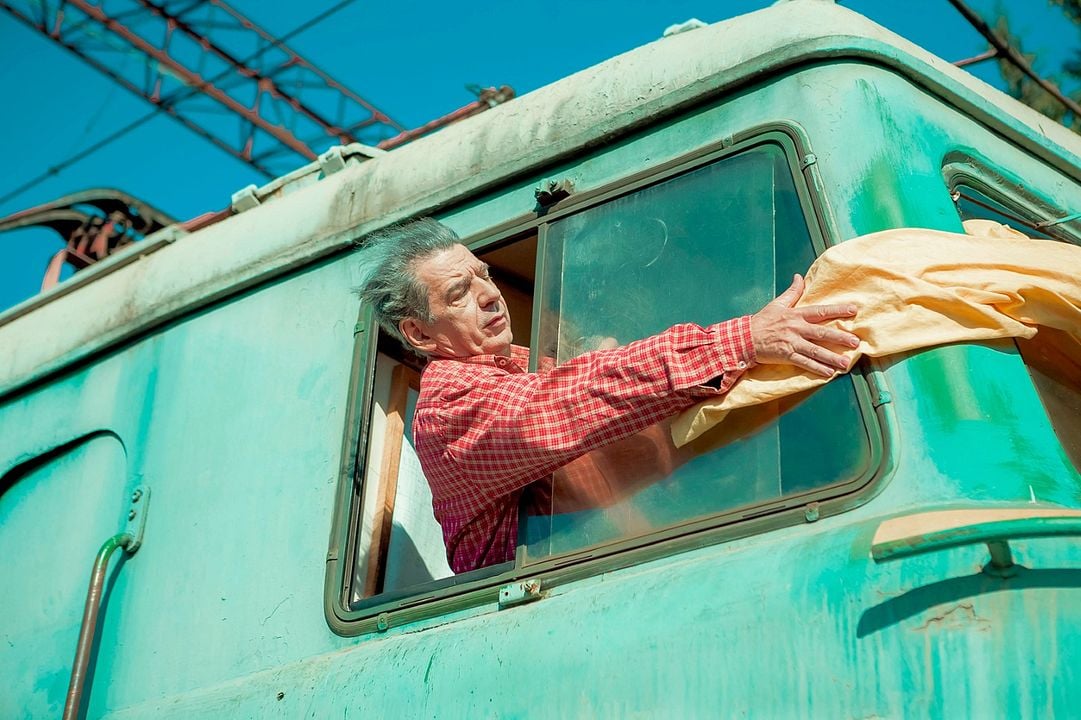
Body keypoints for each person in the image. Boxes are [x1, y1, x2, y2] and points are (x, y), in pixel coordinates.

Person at [358, 218, 859, 573]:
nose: (490, 295)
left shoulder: (524, 367)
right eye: (457, 293)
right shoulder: (450, 407)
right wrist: (743, 339)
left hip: (636, 568)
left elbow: (603, 392)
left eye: (483, 275)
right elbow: (570, 403)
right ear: (421, 335)